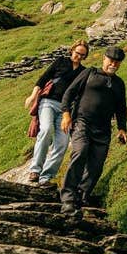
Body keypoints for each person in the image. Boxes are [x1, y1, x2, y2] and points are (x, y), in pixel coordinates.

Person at [59, 45, 127, 215]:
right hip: (82, 122)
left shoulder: (119, 83)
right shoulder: (89, 73)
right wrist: (66, 115)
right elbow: (69, 92)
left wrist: (122, 128)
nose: (114, 64)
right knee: (80, 152)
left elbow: (121, 107)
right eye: (111, 60)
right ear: (104, 59)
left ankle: (82, 195)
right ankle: (67, 197)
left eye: (117, 62)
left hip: (103, 128)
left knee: (96, 165)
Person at [24, 40, 89, 184]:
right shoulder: (60, 61)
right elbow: (43, 79)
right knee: (46, 129)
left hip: (66, 110)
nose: (78, 56)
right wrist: (33, 95)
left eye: (82, 55)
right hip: (48, 102)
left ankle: (46, 177)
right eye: (77, 53)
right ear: (72, 50)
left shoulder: (83, 72)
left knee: (62, 142)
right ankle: (35, 170)